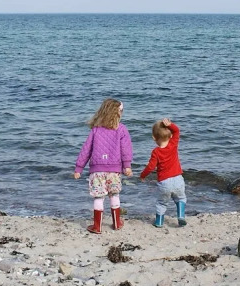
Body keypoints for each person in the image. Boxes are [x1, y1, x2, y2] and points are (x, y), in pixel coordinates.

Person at [74, 98, 133, 233]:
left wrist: (79, 168)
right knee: (114, 195)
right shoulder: (121, 129)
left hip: (97, 170)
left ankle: (97, 226)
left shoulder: (95, 130)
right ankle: (117, 223)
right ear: (118, 113)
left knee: (98, 197)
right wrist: (127, 166)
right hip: (114, 170)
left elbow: (86, 150)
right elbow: (126, 149)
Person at [140, 118, 187, 227]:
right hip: (178, 179)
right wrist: (170, 125)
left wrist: (143, 175)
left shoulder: (156, 152)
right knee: (181, 198)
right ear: (170, 136)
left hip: (164, 182)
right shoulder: (173, 144)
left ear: (154, 137)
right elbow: (177, 131)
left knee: (162, 203)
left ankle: (159, 222)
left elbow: (151, 167)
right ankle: (181, 216)